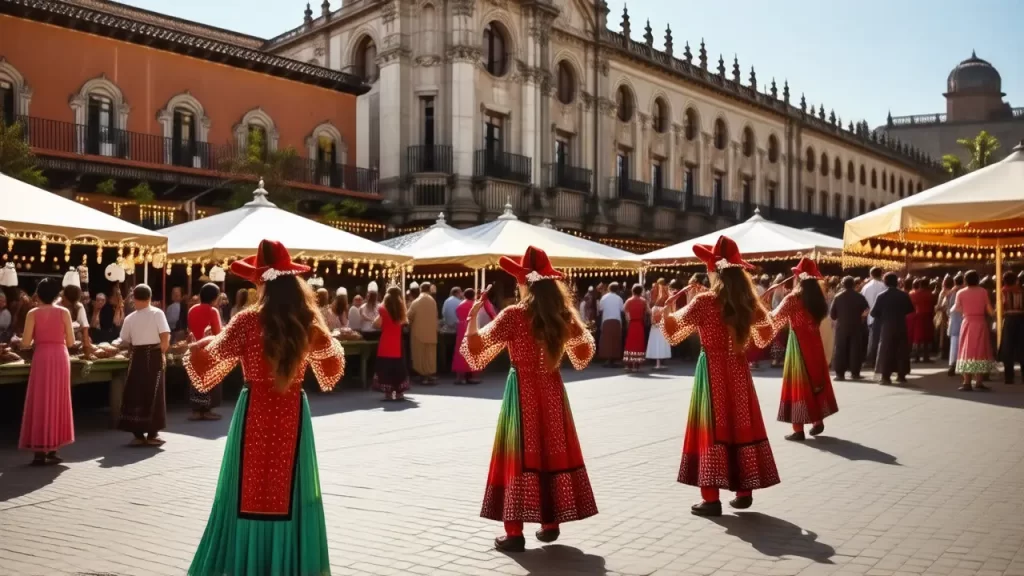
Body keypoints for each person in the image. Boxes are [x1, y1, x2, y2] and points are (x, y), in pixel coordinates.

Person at [185, 239, 345, 576]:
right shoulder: (309, 322)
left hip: (253, 409)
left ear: (262, 281)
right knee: (294, 491)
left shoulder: (246, 321)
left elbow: (208, 361)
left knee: (246, 488)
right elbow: (331, 368)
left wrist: (197, 345)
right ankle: (290, 564)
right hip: (292, 413)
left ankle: (247, 563)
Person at [459, 246, 596, 552]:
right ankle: (550, 523)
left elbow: (477, 351)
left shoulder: (514, 315)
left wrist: (472, 319)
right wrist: (572, 320)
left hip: (520, 390)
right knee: (551, 450)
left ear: (524, 282)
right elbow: (584, 351)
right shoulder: (560, 314)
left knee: (518, 454)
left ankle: (514, 531)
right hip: (551, 389)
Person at [659, 236, 778, 516]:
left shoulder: (704, 302)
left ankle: (711, 498)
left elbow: (674, 335)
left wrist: (667, 314)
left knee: (710, 428)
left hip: (710, 370)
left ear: (714, 271)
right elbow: (765, 336)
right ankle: (744, 491)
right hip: (737, 369)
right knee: (740, 424)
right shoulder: (748, 301)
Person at [767, 258, 839, 441]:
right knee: (815, 380)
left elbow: (775, 318)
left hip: (797, 344)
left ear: (799, 278)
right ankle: (817, 421)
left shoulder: (793, 298)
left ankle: (798, 429)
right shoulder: (817, 299)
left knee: (797, 384)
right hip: (814, 343)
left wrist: (762, 310)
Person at [18, 278, 75, 465]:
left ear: (38, 294)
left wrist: (34, 341)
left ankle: (39, 450)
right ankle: (53, 448)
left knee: (40, 400)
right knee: (58, 400)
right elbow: (71, 342)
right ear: (57, 294)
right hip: (60, 356)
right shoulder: (64, 312)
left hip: (41, 356)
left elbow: (25, 343)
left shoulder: (33, 313)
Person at [117, 284, 170, 446]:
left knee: (136, 392)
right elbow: (165, 337)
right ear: (150, 297)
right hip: (153, 355)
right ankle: (152, 434)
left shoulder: (130, 318)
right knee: (153, 392)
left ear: (134, 298)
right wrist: (162, 353)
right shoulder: (157, 313)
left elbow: (124, 340)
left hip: (138, 356)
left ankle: (138, 434)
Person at [186, 283, 224, 421]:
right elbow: (218, 333)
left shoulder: (192, 310)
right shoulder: (213, 311)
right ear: (215, 298)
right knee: (210, 379)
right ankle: (207, 410)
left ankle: (196, 410)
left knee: (196, 379)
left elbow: (190, 329)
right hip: (209, 350)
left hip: (194, 349)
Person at [954, 270, 996, 391]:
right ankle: (979, 381)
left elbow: (957, 308)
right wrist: (996, 312)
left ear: (965, 280)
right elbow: (989, 309)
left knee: (967, 350)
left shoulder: (960, 293)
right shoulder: (983, 291)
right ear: (978, 280)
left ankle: (967, 382)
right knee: (981, 350)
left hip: (967, 322)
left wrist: (966, 314)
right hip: (980, 322)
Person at [871, 273, 914, 386]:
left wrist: (883, 317)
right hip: (900, 324)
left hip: (887, 325)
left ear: (885, 282)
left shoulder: (882, 296)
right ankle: (901, 374)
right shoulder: (904, 295)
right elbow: (910, 309)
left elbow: (874, 312)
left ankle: (886, 376)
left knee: (886, 350)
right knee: (901, 350)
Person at [373, 285, 409, 400]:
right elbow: (405, 322)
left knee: (385, 367)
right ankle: (399, 393)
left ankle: (388, 394)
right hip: (397, 343)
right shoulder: (402, 310)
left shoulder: (382, 309)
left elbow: (376, 324)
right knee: (399, 367)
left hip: (385, 342)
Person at [453, 288, 496, 384]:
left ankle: (461, 377)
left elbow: (457, 315)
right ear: (473, 295)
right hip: (473, 327)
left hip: (462, 329)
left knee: (461, 353)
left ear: (464, 295)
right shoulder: (476, 304)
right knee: (474, 351)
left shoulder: (460, 305)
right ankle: (474, 376)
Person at [830, 276, 869, 381]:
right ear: (853, 284)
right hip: (856, 326)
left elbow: (833, 315)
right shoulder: (859, 296)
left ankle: (840, 373)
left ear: (843, 284)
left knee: (840, 349)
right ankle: (855, 372)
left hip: (842, 326)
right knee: (855, 349)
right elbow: (866, 309)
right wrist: (862, 318)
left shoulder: (838, 297)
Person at [407, 281, 439, 385]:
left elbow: (409, 316)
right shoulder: (433, 301)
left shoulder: (416, 301)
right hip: (431, 333)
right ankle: (430, 375)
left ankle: (423, 376)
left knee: (420, 355)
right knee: (430, 355)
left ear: (420, 289)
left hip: (418, 333)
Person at [998, 271, 1023, 384]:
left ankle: (1009, 377)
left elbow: (1000, 307)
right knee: (1022, 347)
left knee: (1008, 348)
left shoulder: (1003, 291)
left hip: (1008, 320)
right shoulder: (1022, 291)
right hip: (1022, 320)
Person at [860, 266, 887, 367]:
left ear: (870, 274)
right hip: (883, 316)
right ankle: (877, 360)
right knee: (880, 339)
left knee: (872, 339)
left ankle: (870, 360)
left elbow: (862, 302)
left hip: (870, 316)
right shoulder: (884, 286)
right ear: (881, 274)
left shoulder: (866, 287)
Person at [597, 282, 625, 367]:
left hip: (606, 319)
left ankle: (607, 358)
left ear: (609, 288)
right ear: (617, 289)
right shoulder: (619, 298)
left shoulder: (604, 298)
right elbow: (622, 309)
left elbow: (600, 309)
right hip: (616, 320)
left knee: (606, 340)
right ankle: (614, 358)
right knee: (616, 340)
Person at [622, 283, 648, 372]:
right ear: (641, 291)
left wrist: (627, 323)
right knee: (639, 344)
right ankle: (636, 365)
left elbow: (626, 313)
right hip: (639, 324)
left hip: (632, 324)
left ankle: (629, 364)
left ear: (632, 291)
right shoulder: (644, 301)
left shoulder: (628, 301)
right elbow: (649, 311)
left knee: (630, 344)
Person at [909, 279, 935, 362]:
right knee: (926, 337)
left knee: (917, 337)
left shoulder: (913, 294)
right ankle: (926, 356)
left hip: (917, 316)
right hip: (928, 316)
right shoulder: (930, 294)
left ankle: (916, 356)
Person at [646, 290, 672, 370]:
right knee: (661, 345)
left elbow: (652, 321)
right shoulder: (665, 309)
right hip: (662, 328)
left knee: (655, 345)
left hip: (654, 329)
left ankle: (657, 363)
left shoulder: (653, 308)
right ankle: (659, 363)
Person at [768, 273, 790, 368]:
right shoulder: (779, 290)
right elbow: (779, 304)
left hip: (774, 315)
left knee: (778, 338)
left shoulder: (774, 289)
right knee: (779, 338)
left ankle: (775, 359)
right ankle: (776, 359)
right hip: (779, 316)